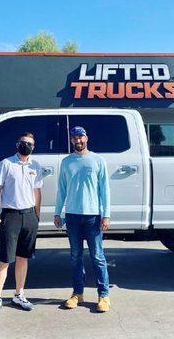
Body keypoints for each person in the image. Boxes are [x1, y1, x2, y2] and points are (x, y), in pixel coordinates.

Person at [54, 126, 111, 313]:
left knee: (97, 257)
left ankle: (104, 295)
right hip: (72, 216)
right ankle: (77, 293)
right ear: (71, 140)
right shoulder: (66, 162)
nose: (77, 140)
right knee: (75, 256)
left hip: (93, 216)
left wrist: (106, 214)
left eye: (80, 137)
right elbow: (61, 189)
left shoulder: (97, 160)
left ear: (86, 137)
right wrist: (57, 212)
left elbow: (105, 190)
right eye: (74, 138)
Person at [0, 132, 43, 317]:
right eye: (24, 143)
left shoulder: (35, 166)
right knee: (5, 259)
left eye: (30, 144)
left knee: (23, 258)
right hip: (10, 216)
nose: (26, 146)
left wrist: (37, 215)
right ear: (17, 144)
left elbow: (37, 192)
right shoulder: (6, 163)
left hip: (29, 216)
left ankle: (19, 295)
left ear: (33, 147)